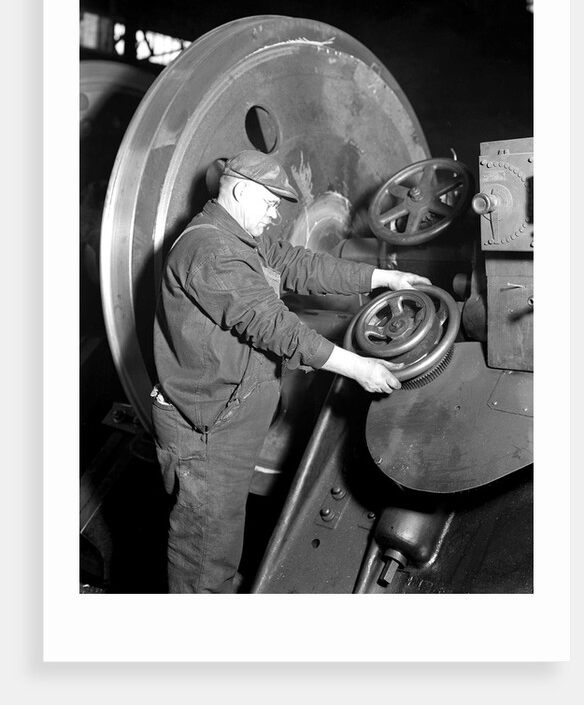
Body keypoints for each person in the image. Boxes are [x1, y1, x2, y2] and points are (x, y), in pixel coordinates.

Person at [151, 149, 431, 593]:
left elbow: (302, 264)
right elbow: (274, 326)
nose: (275, 214)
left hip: (232, 413)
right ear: (241, 191)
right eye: (270, 203)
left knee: (222, 536)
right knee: (204, 554)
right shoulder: (209, 250)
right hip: (207, 427)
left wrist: (383, 278)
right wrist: (357, 366)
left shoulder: (239, 236)